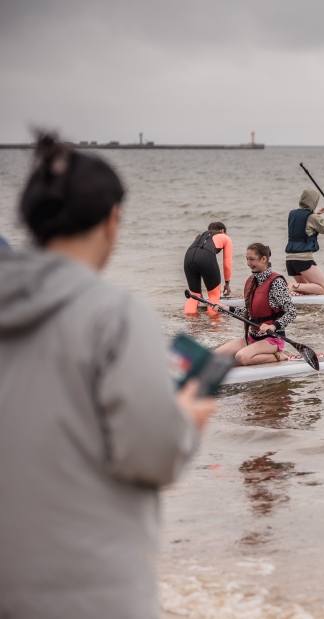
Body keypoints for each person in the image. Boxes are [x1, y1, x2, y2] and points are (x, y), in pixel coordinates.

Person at [0, 135, 215, 618]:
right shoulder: (114, 315)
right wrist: (187, 419)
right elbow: (152, 455)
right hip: (90, 589)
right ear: (112, 219)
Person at [215, 242, 298, 366]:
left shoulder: (277, 282)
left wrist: (273, 326)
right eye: (247, 259)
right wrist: (227, 308)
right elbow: (250, 312)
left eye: (252, 259)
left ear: (264, 259)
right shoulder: (251, 281)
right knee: (216, 356)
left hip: (273, 339)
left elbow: (291, 312)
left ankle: (279, 356)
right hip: (252, 337)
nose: (248, 262)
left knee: (241, 357)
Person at [285, 187, 324, 295]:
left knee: (308, 292)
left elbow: (303, 225)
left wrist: (316, 215)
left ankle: (295, 289)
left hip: (290, 261)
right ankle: (293, 286)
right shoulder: (312, 217)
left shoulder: (292, 214)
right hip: (303, 260)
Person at [183, 221, 233, 315]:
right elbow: (227, 263)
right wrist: (227, 282)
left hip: (188, 258)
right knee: (214, 295)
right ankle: (214, 325)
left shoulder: (199, 236)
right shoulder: (225, 237)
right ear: (222, 231)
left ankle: (190, 323)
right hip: (206, 258)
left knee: (194, 294)